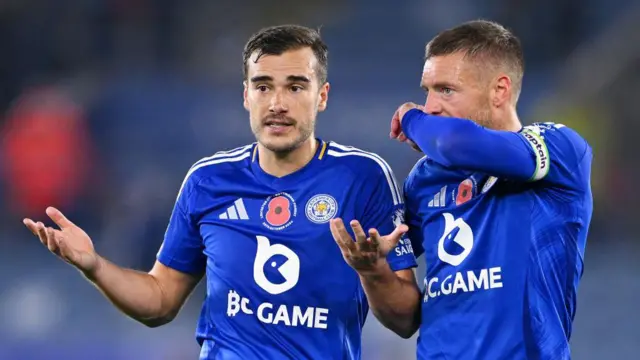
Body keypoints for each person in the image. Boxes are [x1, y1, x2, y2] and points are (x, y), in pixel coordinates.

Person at [22, 25, 418, 359]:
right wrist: (94, 265)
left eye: (295, 87)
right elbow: (160, 300)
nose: (277, 103)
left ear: (323, 96)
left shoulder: (363, 177)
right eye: (263, 87)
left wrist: (373, 270)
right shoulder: (207, 180)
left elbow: (404, 320)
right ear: (246, 95)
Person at [330, 20, 593, 359]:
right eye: (426, 91)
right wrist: (374, 271)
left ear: (499, 90)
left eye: (446, 90)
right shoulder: (426, 180)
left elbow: (452, 141)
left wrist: (410, 118)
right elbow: (405, 319)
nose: (431, 106)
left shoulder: (559, 150)